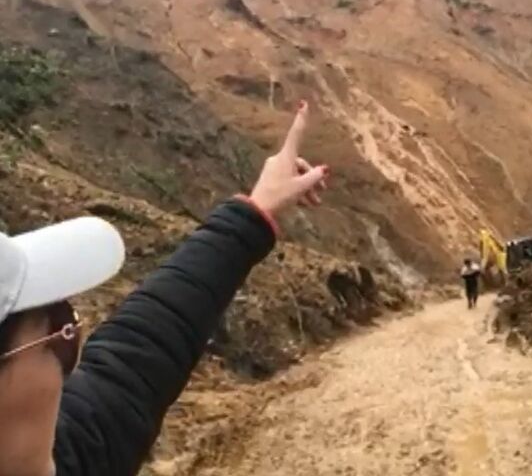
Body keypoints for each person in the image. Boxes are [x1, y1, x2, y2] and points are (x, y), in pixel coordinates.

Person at [0, 101, 328, 476]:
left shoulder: (71, 451)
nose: (73, 360)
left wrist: (256, 210)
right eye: (60, 334)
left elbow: (139, 352)